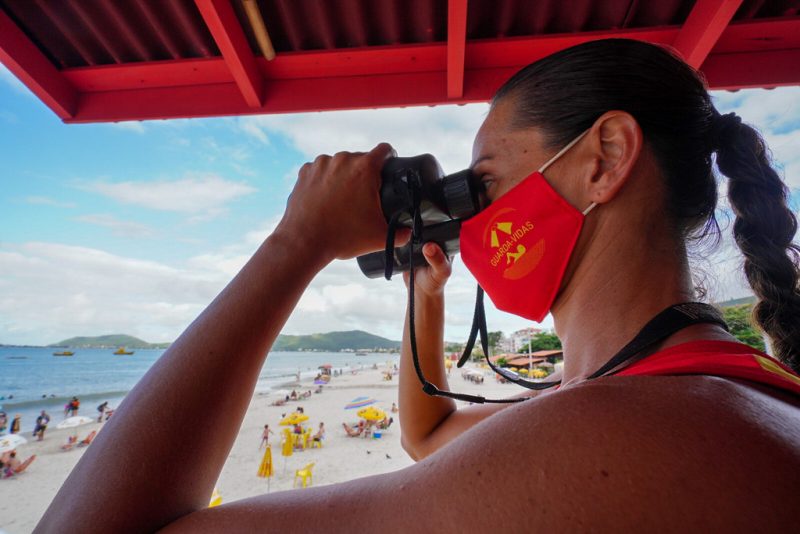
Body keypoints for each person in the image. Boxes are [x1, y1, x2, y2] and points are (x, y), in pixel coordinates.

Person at [37, 39, 800, 532]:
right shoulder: (717, 387)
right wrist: (424, 296)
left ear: (602, 159)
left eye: (486, 183)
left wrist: (295, 244)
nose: (476, 218)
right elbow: (428, 436)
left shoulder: (606, 440)